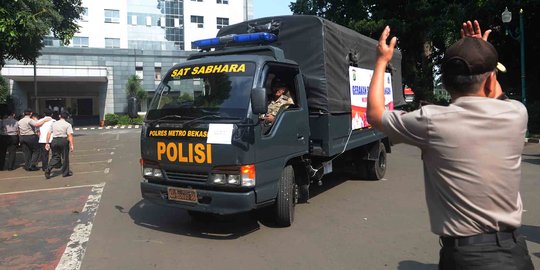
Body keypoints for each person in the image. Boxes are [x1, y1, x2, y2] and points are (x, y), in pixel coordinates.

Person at [366, 22, 534, 269]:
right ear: (490, 81)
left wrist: (381, 61)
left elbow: (375, 113)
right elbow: (497, 95)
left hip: (465, 257)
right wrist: (480, 50)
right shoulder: (517, 114)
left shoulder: (431, 121)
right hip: (515, 253)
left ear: (444, 84)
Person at [45, 111, 74, 179]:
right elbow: (70, 135)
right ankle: (65, 173)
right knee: (65, 157)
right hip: (63, 141)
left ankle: (48, 169)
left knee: (55, 156)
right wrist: (72, 144)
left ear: (60, 116)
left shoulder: (54, 124)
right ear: (67, 117)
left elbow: (49, 133)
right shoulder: (68, 124)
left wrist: (47, 143)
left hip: (54, 141)